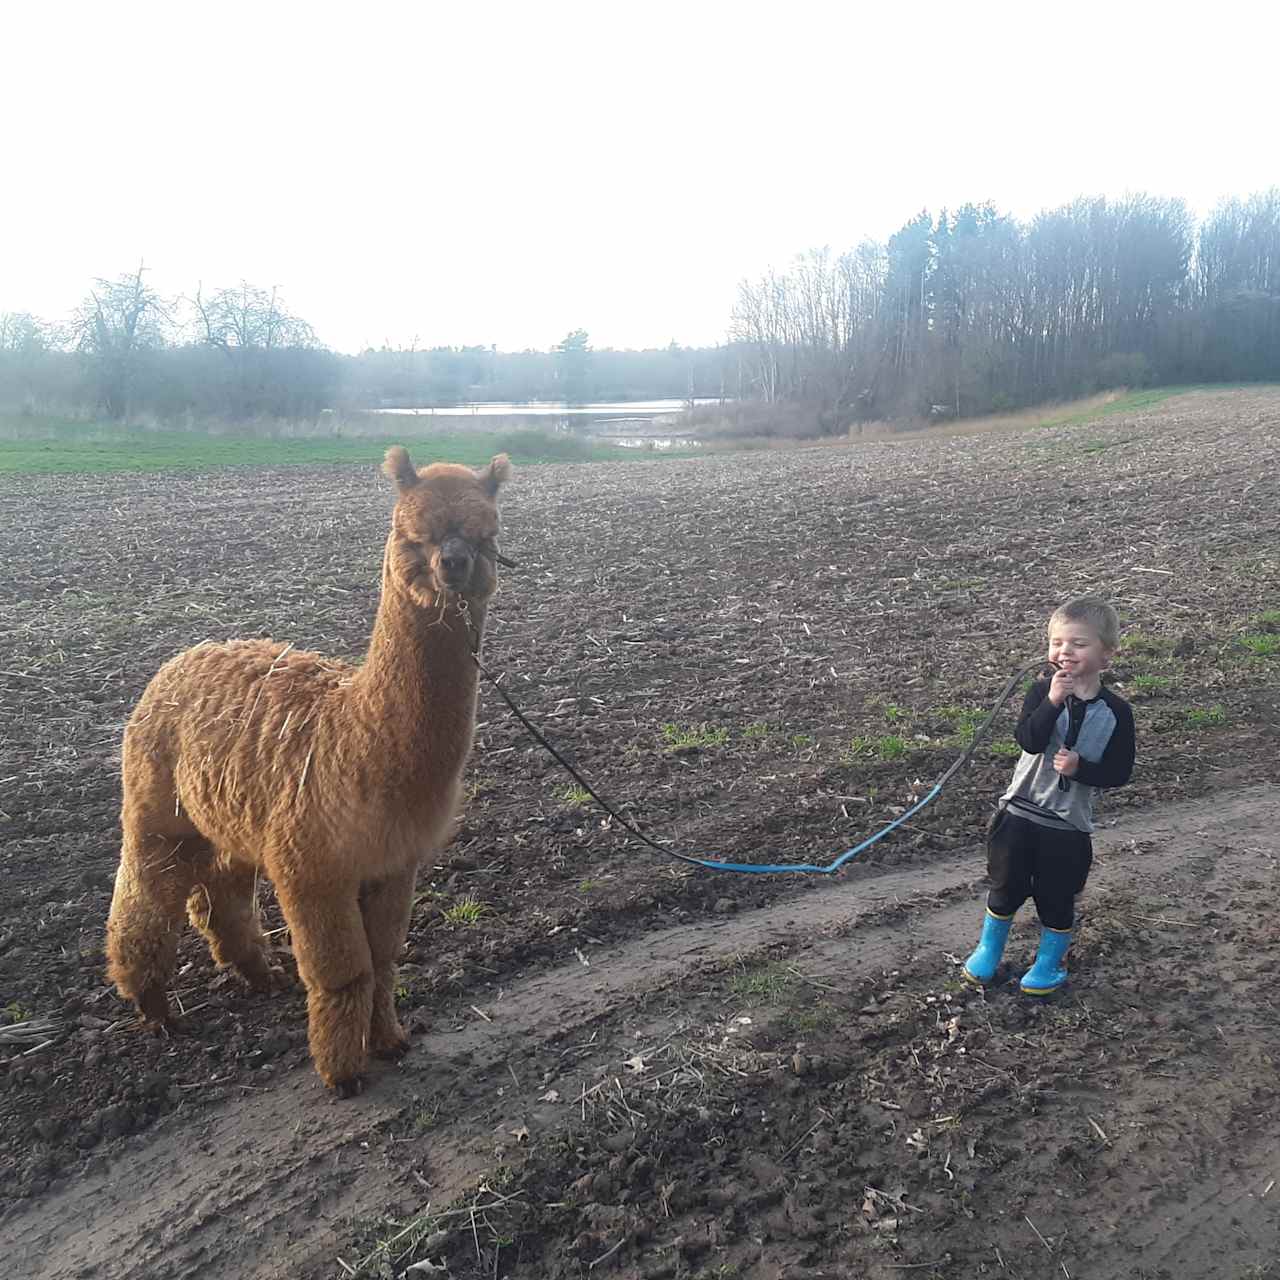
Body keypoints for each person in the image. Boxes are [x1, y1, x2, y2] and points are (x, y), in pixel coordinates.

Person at [963, 596, 1136, 994]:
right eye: (1057, 642)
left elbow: (1120, 771)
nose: (1065, 651)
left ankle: (1048, 963)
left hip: (1066, 825)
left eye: (1078, 643)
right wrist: (1054, 701)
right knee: (1004, 886)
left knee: (1056, 896)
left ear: (1107, 654)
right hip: (1018, 813)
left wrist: (1081, 769)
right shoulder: (1040, 692)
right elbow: (1028, 739)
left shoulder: (1117, 713)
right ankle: (989, 950)